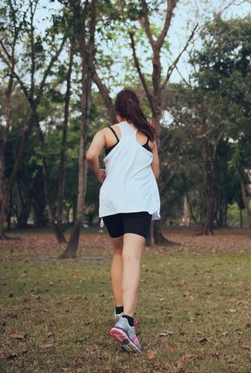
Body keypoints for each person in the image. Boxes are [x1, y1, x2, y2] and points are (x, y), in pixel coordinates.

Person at [85, 88, 160, 353]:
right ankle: (127, 322)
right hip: (137, 203)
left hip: (112, 202)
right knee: (132, 258)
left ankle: (119, 313)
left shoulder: (107, 132)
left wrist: (100, 174)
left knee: (118, 253)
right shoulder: (147, 136)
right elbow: (156, 171)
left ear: (117, 112)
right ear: (136, 109)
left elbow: (90, 156)